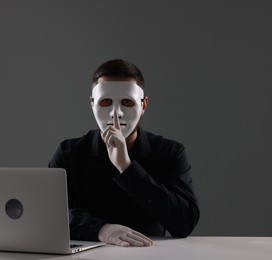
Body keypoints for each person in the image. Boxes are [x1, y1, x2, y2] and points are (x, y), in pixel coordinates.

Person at [49, 59, 200, 247]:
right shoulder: (69, 154)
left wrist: (127, 168)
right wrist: (102, 229)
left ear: (143, 105)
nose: (116, 113)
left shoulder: (169, 153)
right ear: (92, 103)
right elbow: (50, 215)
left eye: (127, 102)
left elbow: (185, 222)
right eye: (106, 102)